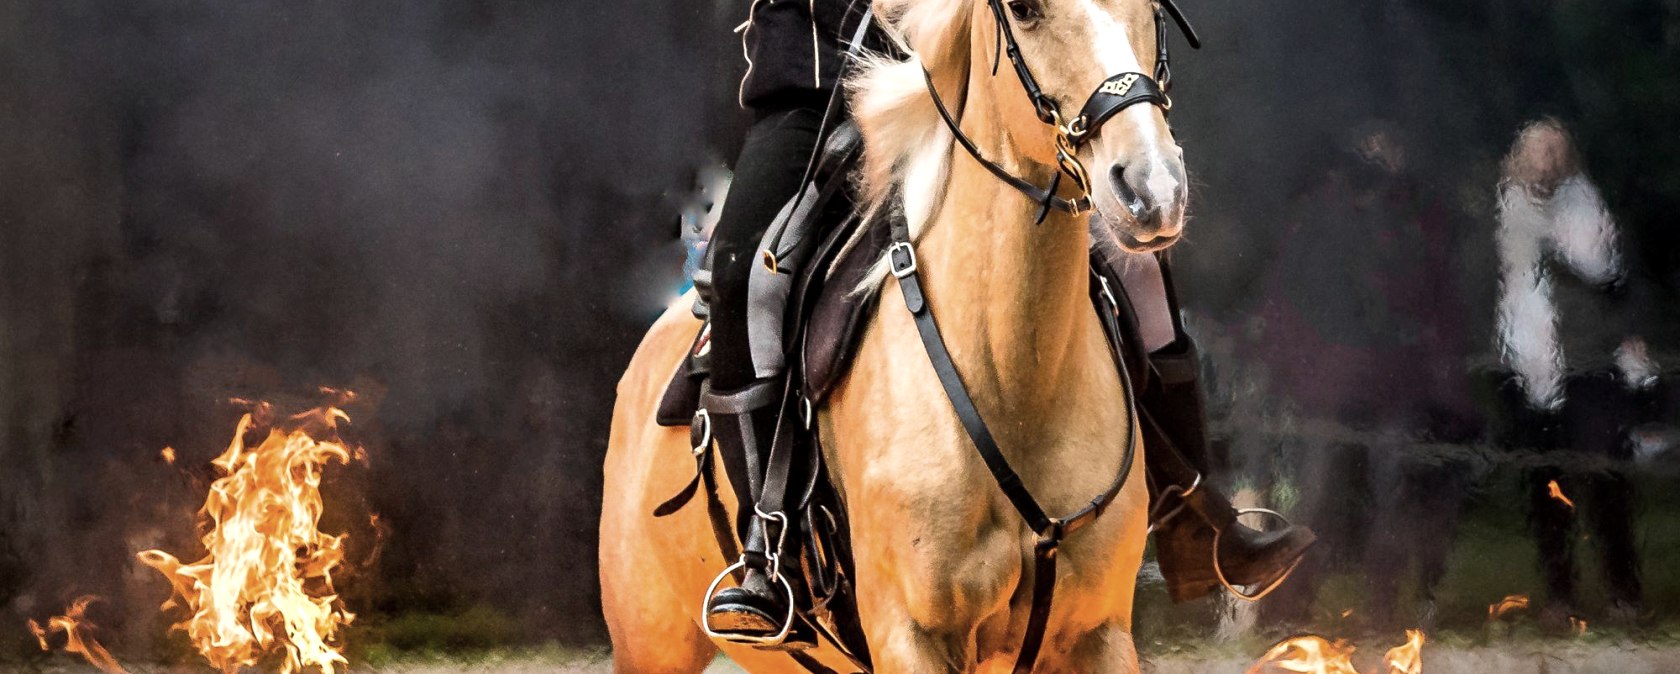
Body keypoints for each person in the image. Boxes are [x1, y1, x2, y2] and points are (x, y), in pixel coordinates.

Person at [697, 0, 1315, 644]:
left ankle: (1194, 513)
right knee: (748, 266)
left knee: (1141, 266)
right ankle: (767, 546)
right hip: (821, 86)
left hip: (982, 75)